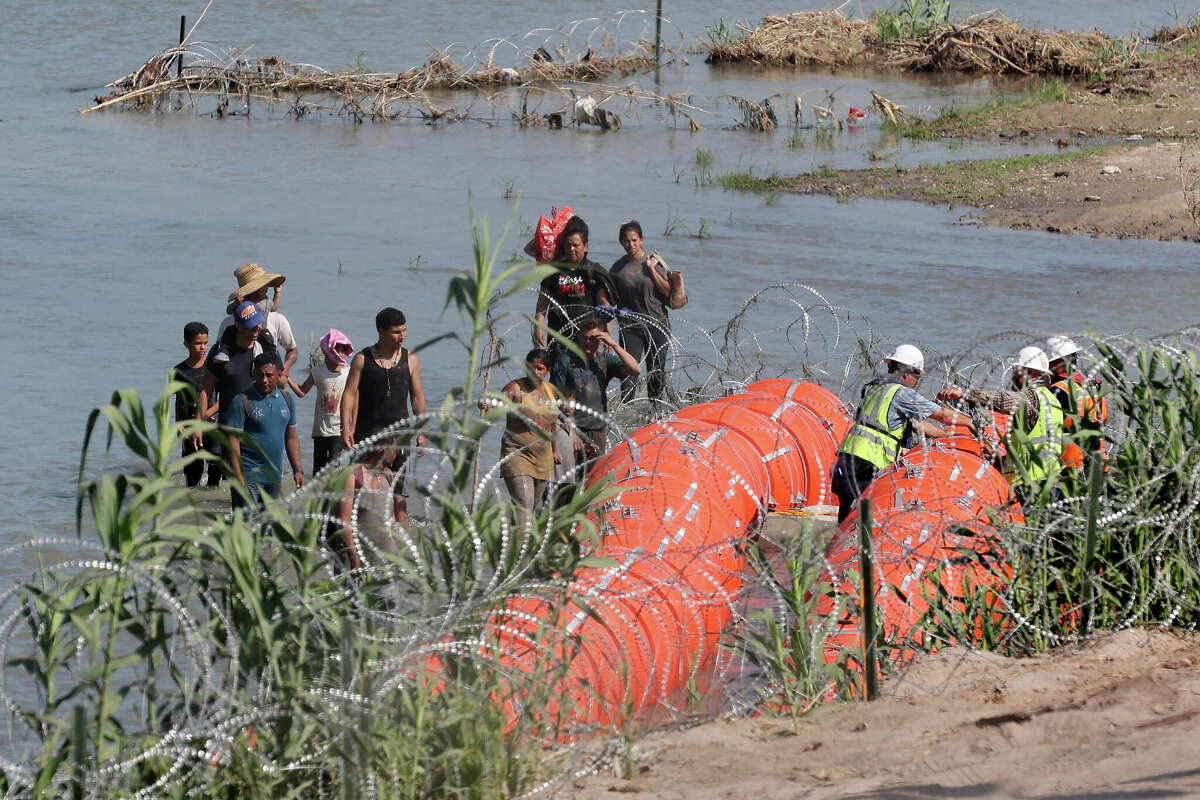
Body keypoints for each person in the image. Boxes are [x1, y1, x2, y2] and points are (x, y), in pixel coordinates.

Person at [833, 344, 975, 523]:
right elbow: (943, 415)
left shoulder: (876, 388)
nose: (916, 382)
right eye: (916, 376)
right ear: (907, 373)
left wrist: (950, 437)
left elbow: (918, 425)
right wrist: (972, 423)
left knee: (846, 523)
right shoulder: (901, 393)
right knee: (863, 525)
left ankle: (841, 549)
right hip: (867, 464)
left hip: (846, 461)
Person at [941, 346, 1064, 503]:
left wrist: (966, 394)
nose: (1013, 377)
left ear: (1032, 373)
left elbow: (1005, 400)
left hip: (1031, 485)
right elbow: (1035, 444)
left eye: (1018, 371)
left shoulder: (1032, 398)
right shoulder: (1052, 400)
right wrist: (1002, 460)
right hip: (1052, 481)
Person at [340, 307, 427, 525]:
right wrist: (346, 427)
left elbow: (417, 397)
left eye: (404, 331)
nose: (402, 336)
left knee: (399, 493)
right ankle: (358, 533)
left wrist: (422, 431)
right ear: (381, 332)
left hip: (400, 437)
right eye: (396, 332)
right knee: (359, 486)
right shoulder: (362, 359)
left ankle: (398, 539)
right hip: (367, 436)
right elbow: (349, 394)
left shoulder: (411, 360)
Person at [549, 315, 641, 471]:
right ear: (578, 336)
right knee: (568, 483)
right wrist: (570, 432)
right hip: (572, 428)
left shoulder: (603, 360)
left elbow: (635, 369)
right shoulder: (565, 360)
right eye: (584, 338)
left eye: (593, 338)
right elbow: (554, 398)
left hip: (597, 429)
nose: (588, 342)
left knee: (593, 481)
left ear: (601, 339)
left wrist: (614, 345)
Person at [483, 349, 561, 523]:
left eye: (540, 368)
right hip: (517, 453)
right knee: (524, 506)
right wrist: (487, 405)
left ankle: (511, 542)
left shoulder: (551, 391)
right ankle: (519, 547)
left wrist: (555, 450)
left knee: (531, 508)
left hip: (543, 457)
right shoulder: (515, 388)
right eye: (530, 367)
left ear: (547, 370)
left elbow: (553, 423)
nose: (535, 372)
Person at [225, 353, 305, 510]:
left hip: (274, 478)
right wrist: (238, 477)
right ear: (254, 374)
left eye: (269, 375)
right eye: (260, 375)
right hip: (248, 476)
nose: (264, 380)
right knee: (246, 528)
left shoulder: (287, 400)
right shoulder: (242, 401)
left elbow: (291, 438)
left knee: (268, 529)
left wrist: (298, 469)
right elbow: (232, 442)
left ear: (279, 375)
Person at [609, 220, 676, 401]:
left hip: (657, 324)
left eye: (634, 240)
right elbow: (610, 299)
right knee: (629, 374)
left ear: (642, 240)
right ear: (621, 242)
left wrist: (652, 269)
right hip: (630, 327)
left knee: (656, 371)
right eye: (626, 241)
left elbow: (668, 291)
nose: (630, 244)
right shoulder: (617, 269)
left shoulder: (654, 262)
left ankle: (654, 411)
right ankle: (625, 412)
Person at [196, 301, 283, 434]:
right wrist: (198, 425)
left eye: (258, 324)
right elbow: (206, 390)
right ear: (237, 325)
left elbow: (282, 384)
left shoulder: (265, 348)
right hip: (230, 426)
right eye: (251, 326)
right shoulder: (221, 352)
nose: (257, 329)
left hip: (261, 426)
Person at [529, 216, 615, 346]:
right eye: (568, 246)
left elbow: (604, 305)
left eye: (576, 245)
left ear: (585, 247)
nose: (572, 249)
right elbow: (542, 303)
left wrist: (606, 331)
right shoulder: (553, 271)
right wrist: (538, 328)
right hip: (558, 332)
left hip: (588, 335)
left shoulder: (594, 271)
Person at [214, 263, 298, 380]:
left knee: (269, 344)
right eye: (264, 285)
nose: (267, 287)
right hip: (236, 381)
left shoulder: (275, 316)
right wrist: (236, 303)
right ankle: (224, 353)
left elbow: (292, 350)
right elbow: (229, 310)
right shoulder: (229, 323)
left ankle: (277, 369)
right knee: (228, 336)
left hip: (265, 382)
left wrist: (284, 371)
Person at [288, 329, 354, 476]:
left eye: (344, 349)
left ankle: (331, 498)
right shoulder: (318, 371)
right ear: (329, 350)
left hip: (338, 431)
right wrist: (287, 378)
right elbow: (301, 392)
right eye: (338, 348)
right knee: (318, 471)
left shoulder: (348, 373)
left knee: (333, 468)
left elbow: (355, 400)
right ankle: (320, 499)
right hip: (319, 431)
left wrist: (351, 426)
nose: (342, 352)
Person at [1044, 335, 1108, 469]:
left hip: (1071, 467)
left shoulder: (1058, 391)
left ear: (1056, 363)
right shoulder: (1093, 384)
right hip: (1099, 461)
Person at [173, 322, 223, 487]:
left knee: (215, 468)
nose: (203, 347)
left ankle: (212, 502)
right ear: (186, 343)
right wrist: (178, 423)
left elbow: (224, 398)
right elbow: (179, 399)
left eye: (205, 343)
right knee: (192, 474)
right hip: (190, 427)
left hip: (212, 425)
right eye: (198, 343)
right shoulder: (178, 371)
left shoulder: (214, 367)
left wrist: (210, 413)